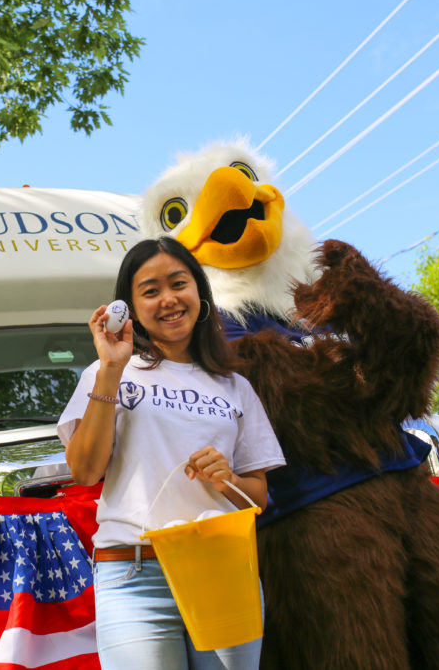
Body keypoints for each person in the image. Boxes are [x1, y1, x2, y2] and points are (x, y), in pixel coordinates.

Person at [59, 236, 285, 669]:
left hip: (223, 572)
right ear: (131, 306)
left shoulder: (235, 386)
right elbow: (85, 471)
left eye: (178, 283)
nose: (168, 299)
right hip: (133, 574)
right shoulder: (108, 370)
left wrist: (230, 480)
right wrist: (110, 368)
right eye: (150, 290)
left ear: (199, 291)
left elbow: (259, 496)